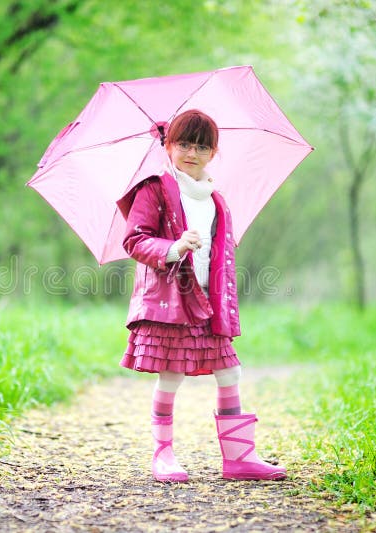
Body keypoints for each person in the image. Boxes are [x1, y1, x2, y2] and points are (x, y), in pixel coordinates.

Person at [117, 109, 287, 483]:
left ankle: (239, 457)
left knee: (229, 371)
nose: (191, 152)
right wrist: (175, 247)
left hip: (209, 302)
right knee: (172, 374)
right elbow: (134, 240)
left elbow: (220, 253)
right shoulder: (154, 188)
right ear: (168, 145)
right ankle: (163, 455)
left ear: (212, 153)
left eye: (201, 145)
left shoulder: (215, 199)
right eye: (183, 144)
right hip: (171, 302)